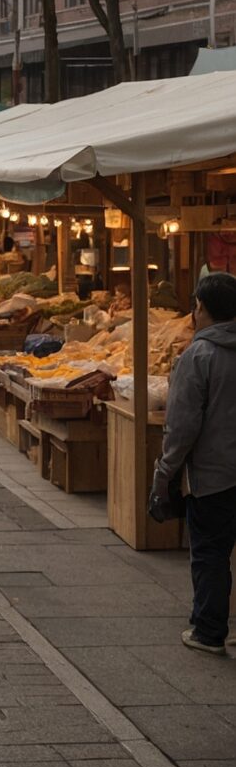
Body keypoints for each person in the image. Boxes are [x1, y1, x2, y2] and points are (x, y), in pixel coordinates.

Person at [151, 272, 236, 654]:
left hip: (215, 475)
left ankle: (209, 631)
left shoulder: (198, 357)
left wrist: (164, 473)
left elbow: (181, 426)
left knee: (210, 554)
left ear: (201, 309)